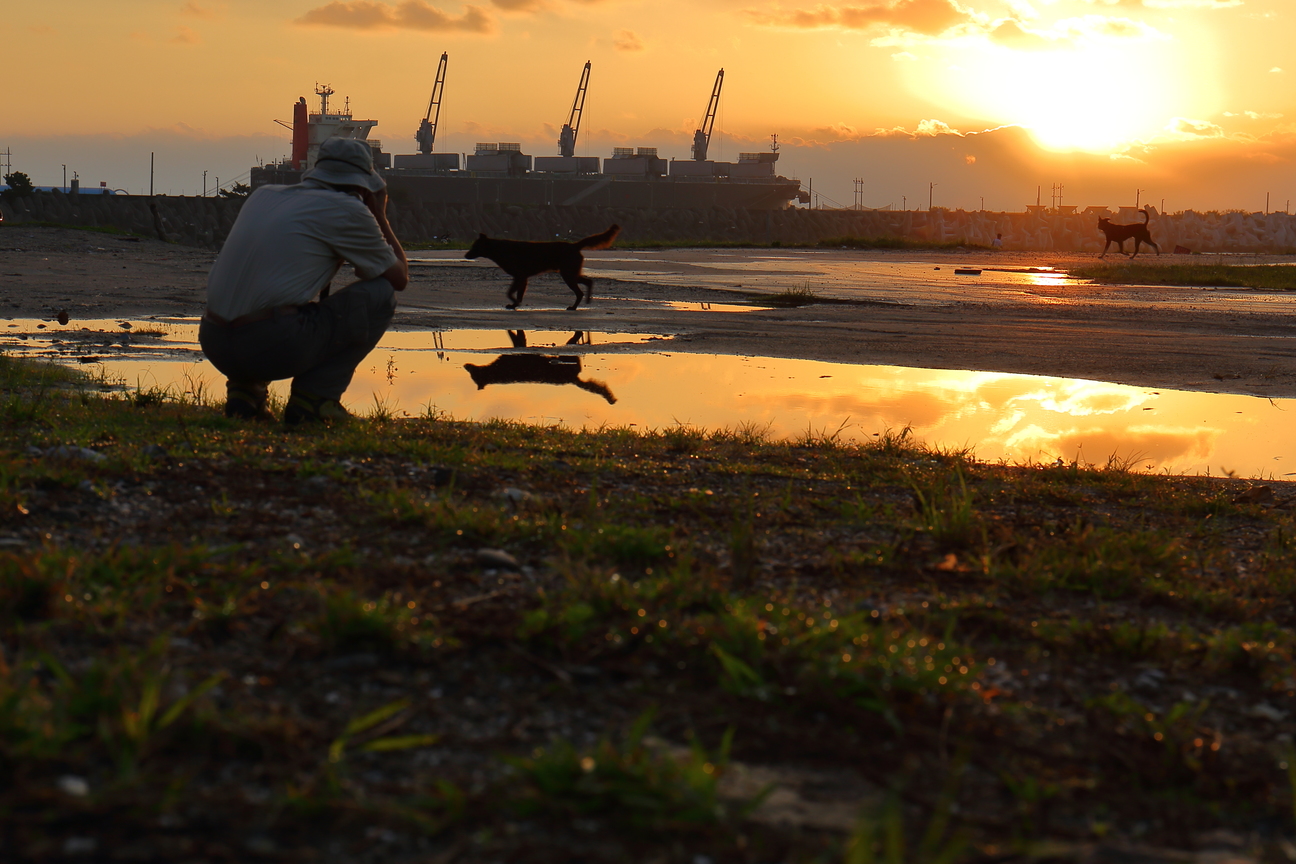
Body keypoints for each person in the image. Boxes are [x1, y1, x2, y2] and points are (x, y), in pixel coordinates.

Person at [199, 137, 408, 425]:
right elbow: (398, 277)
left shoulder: (264, 195)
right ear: (363, 184)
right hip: (270, 345)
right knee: (381, 294)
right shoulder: (348, 210)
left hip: (214, 341)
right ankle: (315, 399)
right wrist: (380, 214)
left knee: (269, 298)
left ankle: (246, 392)